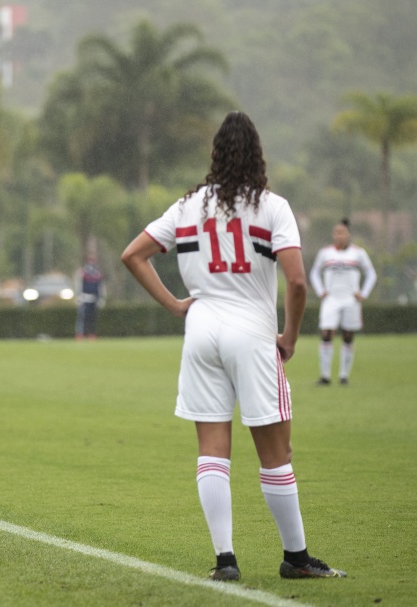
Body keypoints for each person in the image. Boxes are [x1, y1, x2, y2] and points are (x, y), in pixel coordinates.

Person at [121, 112, 346, 581]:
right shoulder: (273, 207)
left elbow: (132, 255)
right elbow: (298, 283)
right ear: (257, 154)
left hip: (201, 329)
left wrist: (176, 306)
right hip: (252, 331)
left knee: (211, 449)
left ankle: (225, 560)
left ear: (215, 155)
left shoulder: (186, 207)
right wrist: (289, 336)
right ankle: (296, 558)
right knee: (275, 452)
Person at [309, 218, 377, 386]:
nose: (338, 236)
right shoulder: (325, 253)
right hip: (331, 300)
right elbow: (314, 273)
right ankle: (325, 376)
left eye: (342, 232)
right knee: (326, 334)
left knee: (348, 336)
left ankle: (344, 376)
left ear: (348, 234)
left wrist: (363, 293)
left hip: (351, 301)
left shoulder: (358, 253)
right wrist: (320, 291)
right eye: (336, 233)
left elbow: (371, 274)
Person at [75, 256, 104, 339]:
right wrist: (78, 296)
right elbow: (79, 284)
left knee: (92, 318)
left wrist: (100, 298)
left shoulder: (97, 273)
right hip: (84, 298)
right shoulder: (83, 272)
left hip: (94, 298)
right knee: (82, 317)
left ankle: (91, 334)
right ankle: (80, 334)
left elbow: (100, 287)